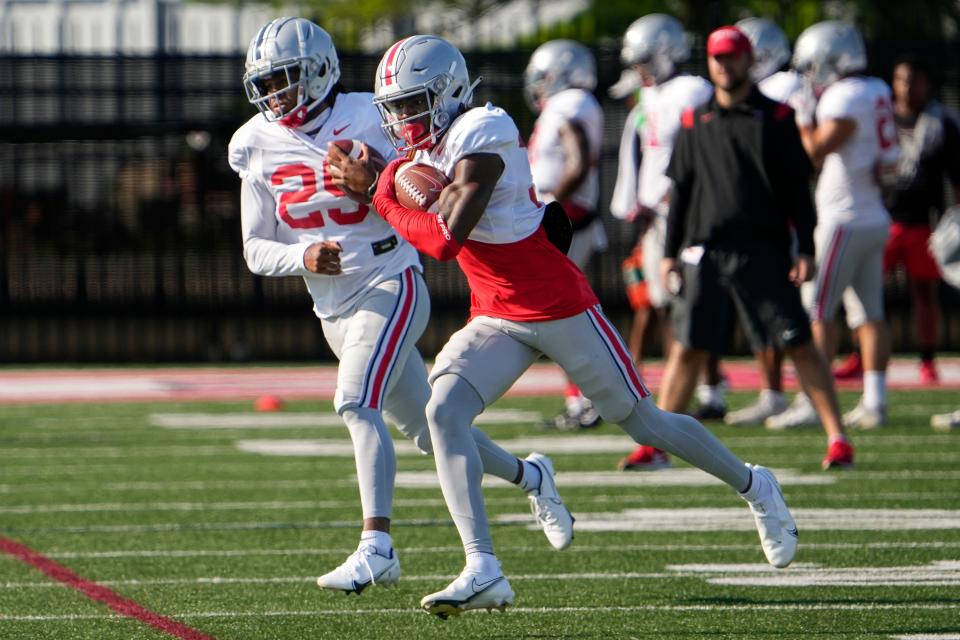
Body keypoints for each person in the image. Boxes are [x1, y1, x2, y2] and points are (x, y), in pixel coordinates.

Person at [370, 33, 798, 618]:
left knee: (644, 423)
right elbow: (429, 210)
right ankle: (483, 566)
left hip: (556, 303)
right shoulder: (424, 154)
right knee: (442, 413)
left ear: (446, 94)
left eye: (411, 102)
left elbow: (445, 239)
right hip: (496, 311)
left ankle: (755, 487)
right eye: (393, 107)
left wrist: (386, 198)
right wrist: (390, 181)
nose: (401, 118)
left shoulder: (484, 129)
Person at [228, 17, 574, 597]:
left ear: (317, 73)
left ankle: (377, 545)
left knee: (354, 402)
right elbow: (254, 249)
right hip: (332, 308)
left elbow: (438, 185)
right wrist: (304, 256)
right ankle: (532, 475)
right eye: (265, 84)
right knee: (426, 432)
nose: (273, 96)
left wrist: (381, 179)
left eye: (284, 80)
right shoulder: (252, 142)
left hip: (390, 281)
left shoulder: (373, 113)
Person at [647, 25, 853, 470]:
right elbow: (681, 192)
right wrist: (668, 253)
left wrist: (805, 248)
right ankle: (655, 443)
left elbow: (798, 189)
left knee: (798, 341)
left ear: (748, 60)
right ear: (709, 62)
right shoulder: (693, 121)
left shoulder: (777, 118)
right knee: (687, 347)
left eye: (733, 56)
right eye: (717, 57)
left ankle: (838, 438)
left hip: (762, 248)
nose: (725, 65)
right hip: (704, 249)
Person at [608, 14, 716, 470]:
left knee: (687, 314)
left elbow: (699, 148)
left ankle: (690, 407)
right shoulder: (651, 97)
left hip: (688, 218)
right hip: (661, 220)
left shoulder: (689, 90)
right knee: (673, 312)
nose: (642, 70)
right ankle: (672, 420)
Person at [782, 21, 899, 430]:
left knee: (818, 311)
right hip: (873, 215)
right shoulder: (877, 89)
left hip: (843, 219)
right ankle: (875, 401)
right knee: (870, 313)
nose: (811, 75)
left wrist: (801, 114)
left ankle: (813, 401)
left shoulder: (844, 96)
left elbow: (813, 152)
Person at [716, 17, 802, 426]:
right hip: (740, 224)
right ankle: (773, 393)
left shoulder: (780, 94)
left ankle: (808, 400)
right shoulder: (722, 104)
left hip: (771, 223)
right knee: (756, 317)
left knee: (792, 320)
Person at [524, 39, 606, 431]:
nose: (539, 86)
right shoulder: (573, 104)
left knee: (564, 317)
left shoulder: (569, 104)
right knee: (566, 316)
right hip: (568, 219)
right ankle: (582, 398)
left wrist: (554, 205)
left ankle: (587, 399)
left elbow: (578, 156)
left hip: (566, 221)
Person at [882, 54, 960, 383]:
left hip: (922, 223)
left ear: (926, 83)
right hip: (882, 219)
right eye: (901, 79)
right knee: (865, 292)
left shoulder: (939, 122)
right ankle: (861, 355)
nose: (907, 87)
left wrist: (951, 220)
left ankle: (927, 359)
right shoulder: (880, 117)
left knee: (925, 293)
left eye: (914, 80)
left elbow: (956, 177)